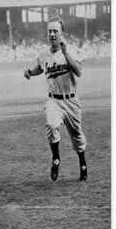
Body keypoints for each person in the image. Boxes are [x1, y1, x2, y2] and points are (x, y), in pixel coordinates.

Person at [23, 17, 88, 182]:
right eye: (49, 31)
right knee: (52, 126)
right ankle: (56, 159)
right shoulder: (43, 54)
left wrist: (65, 53)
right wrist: (30, 72)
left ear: (61, 33)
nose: (52, 34)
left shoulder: (71, 50)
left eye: (55, 31)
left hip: (71, 100)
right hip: (53, 100)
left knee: (77, 135)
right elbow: (40, 67)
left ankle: (82, 163)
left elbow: (79, 71)